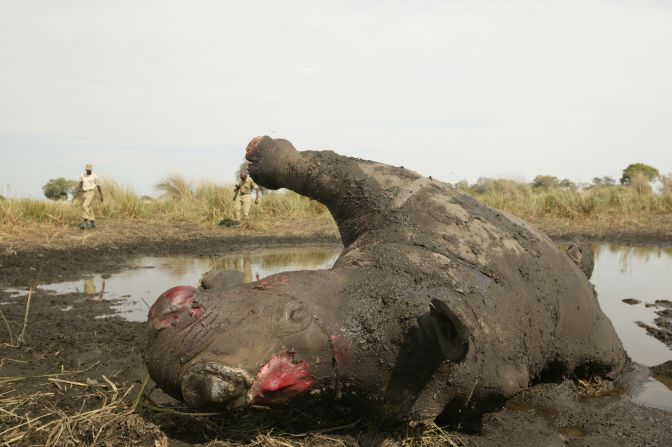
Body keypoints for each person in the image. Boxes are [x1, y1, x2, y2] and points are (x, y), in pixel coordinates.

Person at [78, 163, 104, 229]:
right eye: (87, 170)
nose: (88, 171)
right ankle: (93, 222)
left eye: (89, 170)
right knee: (89, 207)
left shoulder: (94, 176)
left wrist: (101, 195)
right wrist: (79, 188)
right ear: (85, 169)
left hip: (91, 192)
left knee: (85, 205)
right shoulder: (82, 175)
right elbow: (81, 182)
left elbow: (98, 185)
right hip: (84, 193)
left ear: (91, 169)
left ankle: (85, 221)